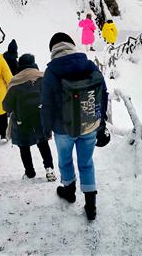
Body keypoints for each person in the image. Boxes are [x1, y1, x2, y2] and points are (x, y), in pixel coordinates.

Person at [41, 32, 110, 220]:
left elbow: (46, 104)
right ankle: (91, 206)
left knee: (65, 160)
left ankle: (69, 191)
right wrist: (101, 124)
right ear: (72, 45)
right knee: (86, 163)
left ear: (53, 51)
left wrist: (45, 129)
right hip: (88, 125)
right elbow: (102, 95)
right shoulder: (88, 65)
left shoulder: (51, 72)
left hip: (62, 129)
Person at [2, 54, 56, 182]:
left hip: (22, 120)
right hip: (40, 117)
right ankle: (49, 170)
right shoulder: (43, 78)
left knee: (24, 146)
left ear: (20, 65)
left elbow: (6, 106)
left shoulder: (15, 82)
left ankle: (30, 172)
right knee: (43, 143)